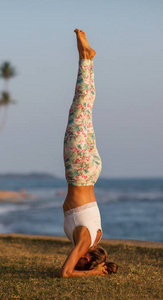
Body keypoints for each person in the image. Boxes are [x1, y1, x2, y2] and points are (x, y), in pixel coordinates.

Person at [59, 29, 118, 278]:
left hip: (91, 172)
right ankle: (86, 58)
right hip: (80, 171)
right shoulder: (84, 241)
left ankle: (87, 59)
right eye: (80, 263)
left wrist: (99, 265)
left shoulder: (97, 236)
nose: (75, 262)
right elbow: (64, 274)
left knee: (83, 111)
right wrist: (91, 274)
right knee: (80, 108)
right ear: (84, 258)